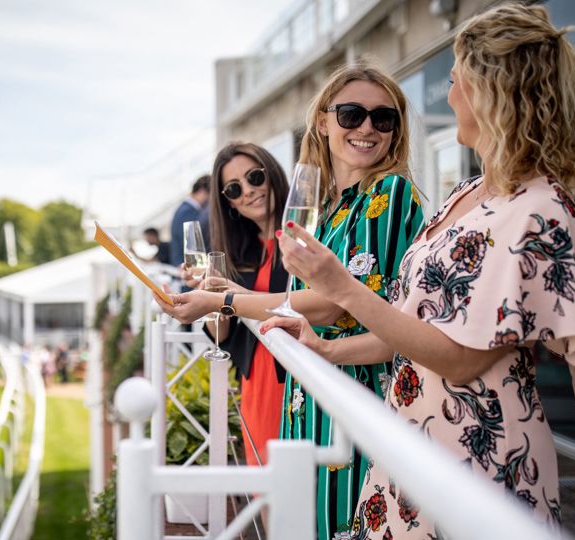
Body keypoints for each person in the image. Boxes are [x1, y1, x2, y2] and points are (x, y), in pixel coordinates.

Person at [262, 5, 575, 538]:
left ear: (490, 93)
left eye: (455, 81)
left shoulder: (538, 211)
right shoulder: (467, 194)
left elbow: (460, 359)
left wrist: (342, 289)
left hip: (477, 452)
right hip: (408, 442)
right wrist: (326, 350)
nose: (449, 96)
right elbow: (413, 328)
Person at [156, 61, 423, 538]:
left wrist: (223, 301)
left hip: (357, 394)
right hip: (314, 392)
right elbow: (305, 298)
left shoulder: (389, 191)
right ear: (323, 121)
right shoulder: (337, 206)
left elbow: (333, 304)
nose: (367, 128)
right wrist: (221, 295)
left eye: (383, 118)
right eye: (352, 114)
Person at [178, 142, 290, 468]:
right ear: (228, 203)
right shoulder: (241, 251)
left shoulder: (303, 241)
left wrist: (227, 297)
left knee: (293, 483)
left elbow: (301, 307)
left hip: (294, 381)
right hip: (255, 381)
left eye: (255, 177)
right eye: (234, 189)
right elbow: (220, 334)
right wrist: (210, 294)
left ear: (272, 174)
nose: (249, 191)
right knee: (263, 485)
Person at [169, 174, 211, 268]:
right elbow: (193, 246)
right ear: (202, 191)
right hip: (187, 268)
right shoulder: (187, 212)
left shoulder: (185, 209)